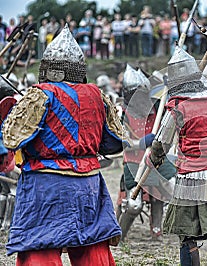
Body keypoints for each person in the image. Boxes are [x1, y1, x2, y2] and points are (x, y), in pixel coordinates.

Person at [0, 25, 123, 265]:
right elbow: (112, 144)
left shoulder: (39, 94)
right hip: (88, 184)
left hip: (47, 185)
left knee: (40, 246)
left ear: (48, 67)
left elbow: (12, 138)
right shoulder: (97, 95)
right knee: (92, 244)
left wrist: (12, 111)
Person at [147, 46, 207, 266]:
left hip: (190, 174)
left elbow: (162, 141)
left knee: (188, 234)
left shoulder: (178, 107)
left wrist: (154, 158)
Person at [116, 65, 176, 241]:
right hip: (134, 161)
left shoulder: (156, 108)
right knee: (134, 205)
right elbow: (121, 141)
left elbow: (172, 110)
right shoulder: (122, 113)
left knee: (169, 188)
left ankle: (157, 229)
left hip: (156, 158)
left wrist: (170, 91)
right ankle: (119, 236)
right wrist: (142, 142)